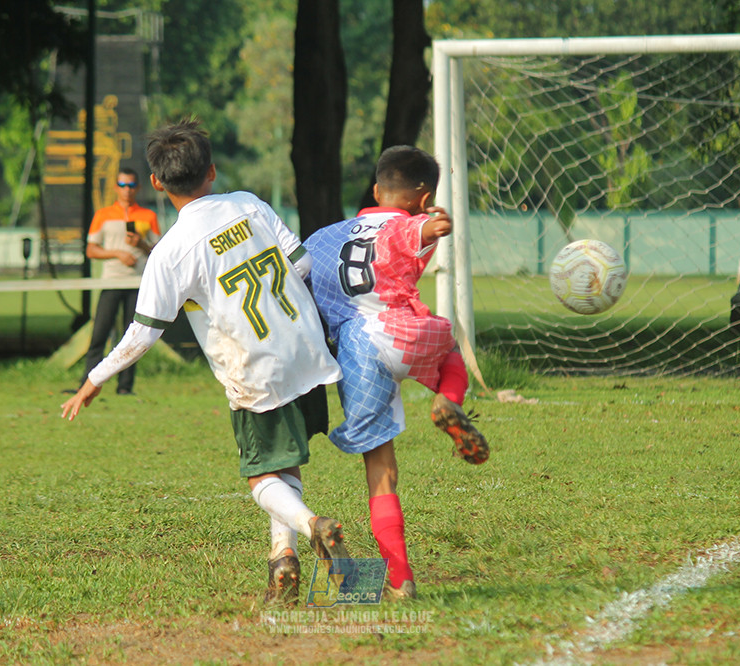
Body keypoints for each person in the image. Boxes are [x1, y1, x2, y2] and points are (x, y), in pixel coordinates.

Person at [61, 118, 349, 607]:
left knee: (261, 476)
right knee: (287, 462)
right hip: (305, 350)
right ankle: (283, 560)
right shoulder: (250, 205)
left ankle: (312, 526)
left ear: (155, 182)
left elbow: (143, 332)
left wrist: (94, 377)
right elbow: (301, 265)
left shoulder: (171, 252)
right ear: (211, 171)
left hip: (256, 370)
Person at [303, 145, 490, 600]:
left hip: (355, 353)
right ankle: (447, 401)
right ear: (424, 197)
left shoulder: (324, 236)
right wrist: (434, 224)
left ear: (375, 189)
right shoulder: (408, 223)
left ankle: (401, 580)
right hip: (401, 330)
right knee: (449, 353)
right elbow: (417, 231)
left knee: (381, 470)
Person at [79, 167, 160, 396]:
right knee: (99, 334)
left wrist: (141, 245)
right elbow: (91, 250)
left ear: (138, 188)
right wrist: (117, 253)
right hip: (112, 281)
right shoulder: (103, 215)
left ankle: (125, 387)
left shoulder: (148, 216)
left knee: (132, 337)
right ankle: (86, 383)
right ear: (116, 188)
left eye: (132, 186)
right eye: (123, 186)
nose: (127, 191)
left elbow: (159, 251)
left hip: (138, 284)